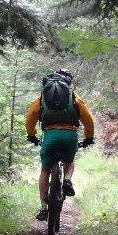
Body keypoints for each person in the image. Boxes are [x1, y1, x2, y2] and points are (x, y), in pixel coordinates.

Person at [25, 68, 95, 221]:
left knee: (45, 170)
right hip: (69, 136)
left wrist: (31, 135)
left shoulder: (42, 98)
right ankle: (68, 180)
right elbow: (88, 119)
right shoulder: (74, 98)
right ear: (67, 83)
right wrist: (89, 137)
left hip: (50, 136)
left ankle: (44, 208)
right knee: (69, 161)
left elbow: (31, 116)